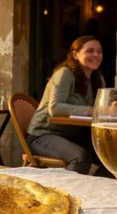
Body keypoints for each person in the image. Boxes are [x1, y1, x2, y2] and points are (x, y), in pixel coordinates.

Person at [26, 36, 106, 175]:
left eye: (99, 51)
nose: (96, 55)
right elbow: (55, 108)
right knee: (80, 157)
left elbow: (102, 108)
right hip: (43, 134)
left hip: (70, 135)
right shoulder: (65, 73)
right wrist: (92, 110)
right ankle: (64, 195)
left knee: (116, 155)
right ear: (75, 54)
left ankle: (98, 191)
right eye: (90, 51)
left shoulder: (97, 78)